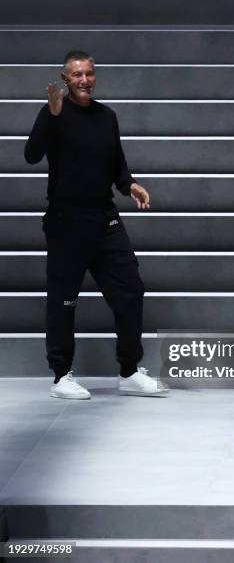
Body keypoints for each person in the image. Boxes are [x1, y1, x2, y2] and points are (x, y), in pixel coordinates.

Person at [25, 50, 168, 400]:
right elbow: (31, 154)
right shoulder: (53, 113)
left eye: (89, 73)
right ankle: (61, 376)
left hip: (104, 220)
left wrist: (129, 184)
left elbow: (116, 164)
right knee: (63, 301)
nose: (84, 80)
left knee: (131, 290)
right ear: (65, 80)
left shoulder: (107, 116)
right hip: (65, 222)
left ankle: (130, 370)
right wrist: (52, 117)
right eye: (77, 75)